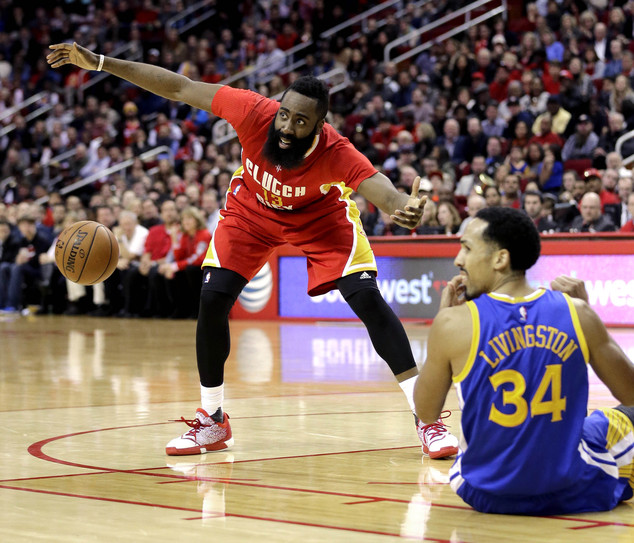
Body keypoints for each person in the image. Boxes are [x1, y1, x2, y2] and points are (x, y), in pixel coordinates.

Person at [48, 42, 459, 458]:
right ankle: (212, 421)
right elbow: (178, 87)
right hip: (252, 211)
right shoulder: (252, 111)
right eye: (285, 113)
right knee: (211, 299)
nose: (287, 126)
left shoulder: (336, 152)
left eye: (301, 122)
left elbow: (384, 193)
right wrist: (100, 62)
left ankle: (426, 419)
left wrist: (403, 208)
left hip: (320, 220)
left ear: (319, 127)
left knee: (368, 299)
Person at [413, 206, 634, 515]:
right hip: (569, 489)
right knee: (620, 418)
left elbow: (425, 411)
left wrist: (442, 320)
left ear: (500, 259)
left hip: (484, 492)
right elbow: (631, 394)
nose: (457, 259)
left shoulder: (451, 324)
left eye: (466, 248)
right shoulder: (576, 313)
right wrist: (585, 309)